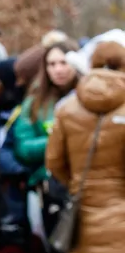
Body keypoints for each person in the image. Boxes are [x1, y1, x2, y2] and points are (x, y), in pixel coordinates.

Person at [45, 41, 125, 253]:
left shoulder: (66, 109)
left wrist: (77, 184)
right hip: (122, 225)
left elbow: (53, 162)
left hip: (82, 222)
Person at [14, 40, 79, 186]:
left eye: (64, 62)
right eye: (52, 64)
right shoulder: (34, 102)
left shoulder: (90, 98)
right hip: (47, 181)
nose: (58, 69)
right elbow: (23, 148)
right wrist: (57, 140)